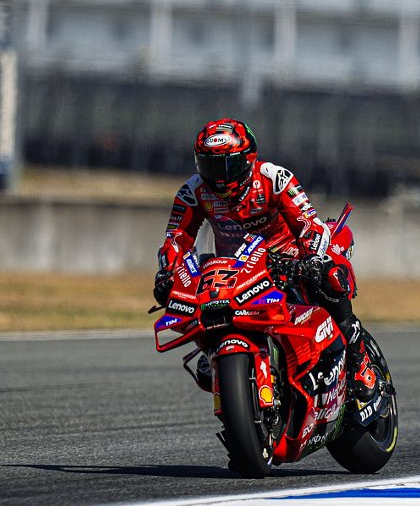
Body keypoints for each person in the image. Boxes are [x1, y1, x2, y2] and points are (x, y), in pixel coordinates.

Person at [153, 117, 380, 405]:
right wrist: (168, 274)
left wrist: (312, 258)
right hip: (235, 270)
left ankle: (359, 361)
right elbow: (176, 238)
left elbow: (308, 223)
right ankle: (221, 357)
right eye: (210, 166)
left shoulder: (274, 178)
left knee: (330, 276)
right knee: (202, 320)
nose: (220, 177)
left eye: (228, 165)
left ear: (248, 160)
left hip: (288, 260)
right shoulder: (193, 191)